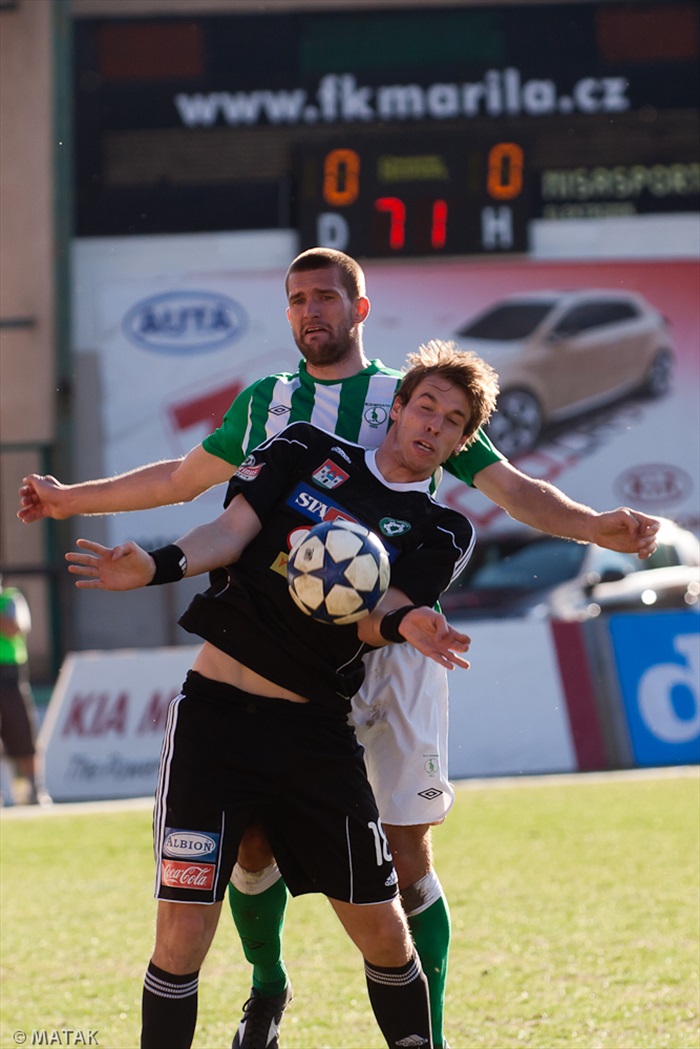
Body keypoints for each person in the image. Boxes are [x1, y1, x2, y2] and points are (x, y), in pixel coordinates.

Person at [18, 248, 661, 1049]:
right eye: (297, 300)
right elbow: (182, 485)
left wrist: (596, 524)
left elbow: (515, 491)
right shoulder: (272, 408)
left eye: (326, 297)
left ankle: (429, 1029)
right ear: (286, 313)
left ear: (360, 308)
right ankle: (265, 987)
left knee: (405, 854)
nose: (311, 311)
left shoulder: (416, 398)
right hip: (258, 652)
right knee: (246, 846)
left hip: (388, 634)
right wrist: (73, 499)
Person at [64, 342, 496, 1049]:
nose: (434, 425)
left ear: (460, 441)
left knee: (384, 932)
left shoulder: (441, 529)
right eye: (426, 406)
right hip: (213, 721)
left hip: (315, 733)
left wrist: (404, 621)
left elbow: (371, 611)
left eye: (452, 421)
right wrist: (155, 566)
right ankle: (265, 992)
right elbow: (230, 531)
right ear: (399, 407)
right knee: (180, 934)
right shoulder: (300, 447)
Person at [0, 576, 42, 805]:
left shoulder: (11, 598)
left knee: (23, 732)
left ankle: (34, 788)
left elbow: (15, 627)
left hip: (9, 674)